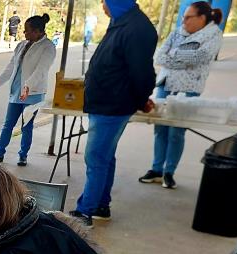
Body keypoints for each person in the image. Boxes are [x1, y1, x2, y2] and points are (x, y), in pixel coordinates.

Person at [69, 0, 157, 227]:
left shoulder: (137, 28)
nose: (102, 5)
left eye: (104, 1)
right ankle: (100, 205)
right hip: (105, 103)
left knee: (96, 158)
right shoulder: (122, 23)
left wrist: (140, 100)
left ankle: (84, 212)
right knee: (105, 157)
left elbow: (143, 73)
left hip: (112, 105)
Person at [140, 1, 223, 189]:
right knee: (160, 128)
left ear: (202, 18)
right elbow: (160, 56)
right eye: (183, 17)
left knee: (176, 132)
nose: (184, 21)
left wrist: (174, 55)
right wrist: (181, 57)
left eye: (188, 17)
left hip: (189, 88)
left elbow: (200, 57)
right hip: (165, 84)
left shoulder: (214, 35)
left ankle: (169, 172)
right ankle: (156, 169)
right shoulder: (178, 31)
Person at [0, 14, 56, 166]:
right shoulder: (22, 45)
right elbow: (11, 67)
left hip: (33, 93)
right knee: (8, 124)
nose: (24, 34)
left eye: (27, 31)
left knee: (26, 126)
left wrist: (28, 85)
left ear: (38, 31)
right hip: (17, 91)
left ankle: (23, 155)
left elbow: (41, 70)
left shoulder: (48, 47)